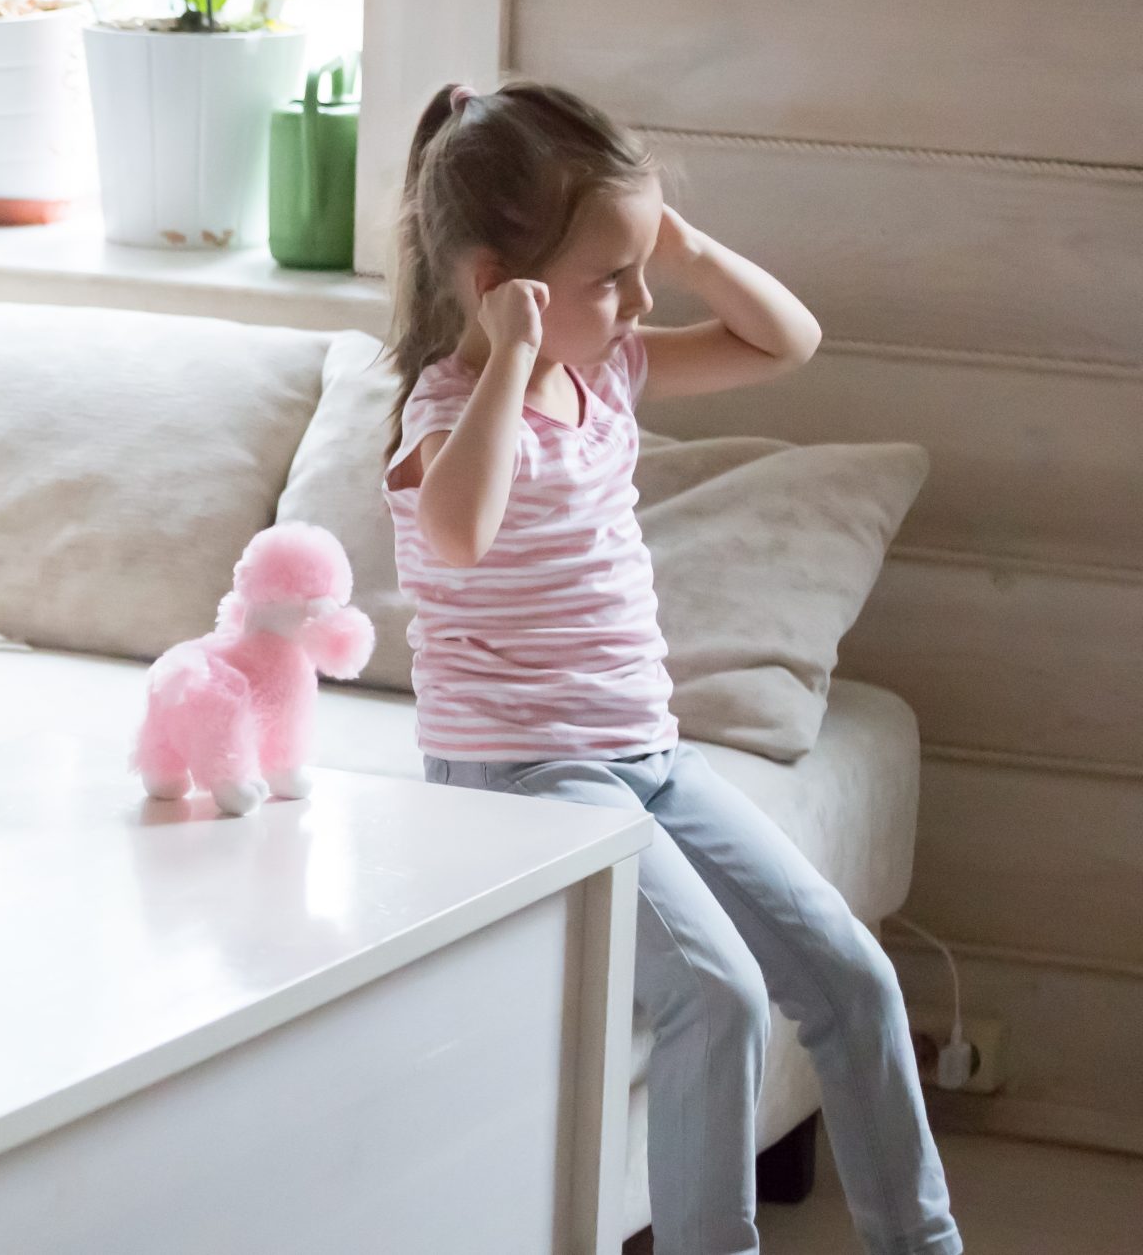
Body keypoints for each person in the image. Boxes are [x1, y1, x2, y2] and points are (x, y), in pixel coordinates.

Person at [382, 82, 958, 1255]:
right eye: (612, 278)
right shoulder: (447, 410)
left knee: (852, 978)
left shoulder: (613, 374)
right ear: (501, 289)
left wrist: (673, 242)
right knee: (718, 994)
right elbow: (458, 529)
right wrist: (506, 360)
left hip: (645, 754)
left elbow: (784, 340)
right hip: (523, 775)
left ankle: (923, 1242)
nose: (639, 303)